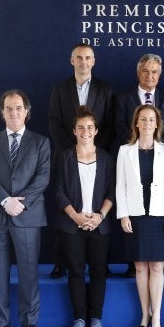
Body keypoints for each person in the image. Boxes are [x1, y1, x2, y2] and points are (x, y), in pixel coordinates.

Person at [0, 89, 50, 327]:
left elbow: (42, 177)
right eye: (9, 108)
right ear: (2, 113)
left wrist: (20, 203)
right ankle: (0, 323)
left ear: (26, 111)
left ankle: (29, 322)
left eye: (18, 108)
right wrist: (5, 200)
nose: (14, 112)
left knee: (28, 271)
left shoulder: (40, 142)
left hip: (27, 215)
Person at [48, 42, 115, 279]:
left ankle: (102, 263)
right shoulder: (59, 89)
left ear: (93, 61)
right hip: (68, 157)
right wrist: (73, 150)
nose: (83, 62)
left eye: (88, 58)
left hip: (97, 157)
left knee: (97, 203)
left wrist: (93, 148)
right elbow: (54, 123)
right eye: (79, 57)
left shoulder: (105, 89)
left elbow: (109, 124)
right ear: (72, 60)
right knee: (65, 206)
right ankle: (61, 263)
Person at [116, 104, 164, 327]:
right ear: (136, 123)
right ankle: (144, 316)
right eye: (143, 119)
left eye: (152, 120)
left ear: (157, 124)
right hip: (134, 215)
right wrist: (123, 214)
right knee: (140, 267)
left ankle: (157, 319)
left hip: (159, 216)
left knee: (157, 266)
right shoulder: (125, 151)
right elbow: (120, 186)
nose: (147, 123)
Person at [115, 53, 164, 277]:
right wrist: (139, 144)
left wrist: (158, 146)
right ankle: (133, 265)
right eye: (145, 71)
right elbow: (119, 127)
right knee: (136, 211)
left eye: (154, 72)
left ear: (159, 75)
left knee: (161, 213)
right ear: (138, 73)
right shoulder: (123, 98)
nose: (150, 76)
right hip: (135, 157)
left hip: (161, 158)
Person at [54, 106, 114, 327]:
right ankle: (79, 318)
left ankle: (96, 318)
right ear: (74, 131)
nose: (85, 131)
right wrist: (75, 216)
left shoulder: (106, 158)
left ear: (96, 130)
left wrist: (100, 216)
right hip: (72, 225)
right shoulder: (65, 157)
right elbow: (59, 192)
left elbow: (112, 191)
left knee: (98, 272)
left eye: (89, 127)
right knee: (76, 272)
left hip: (99, 225)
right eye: (80, 127)